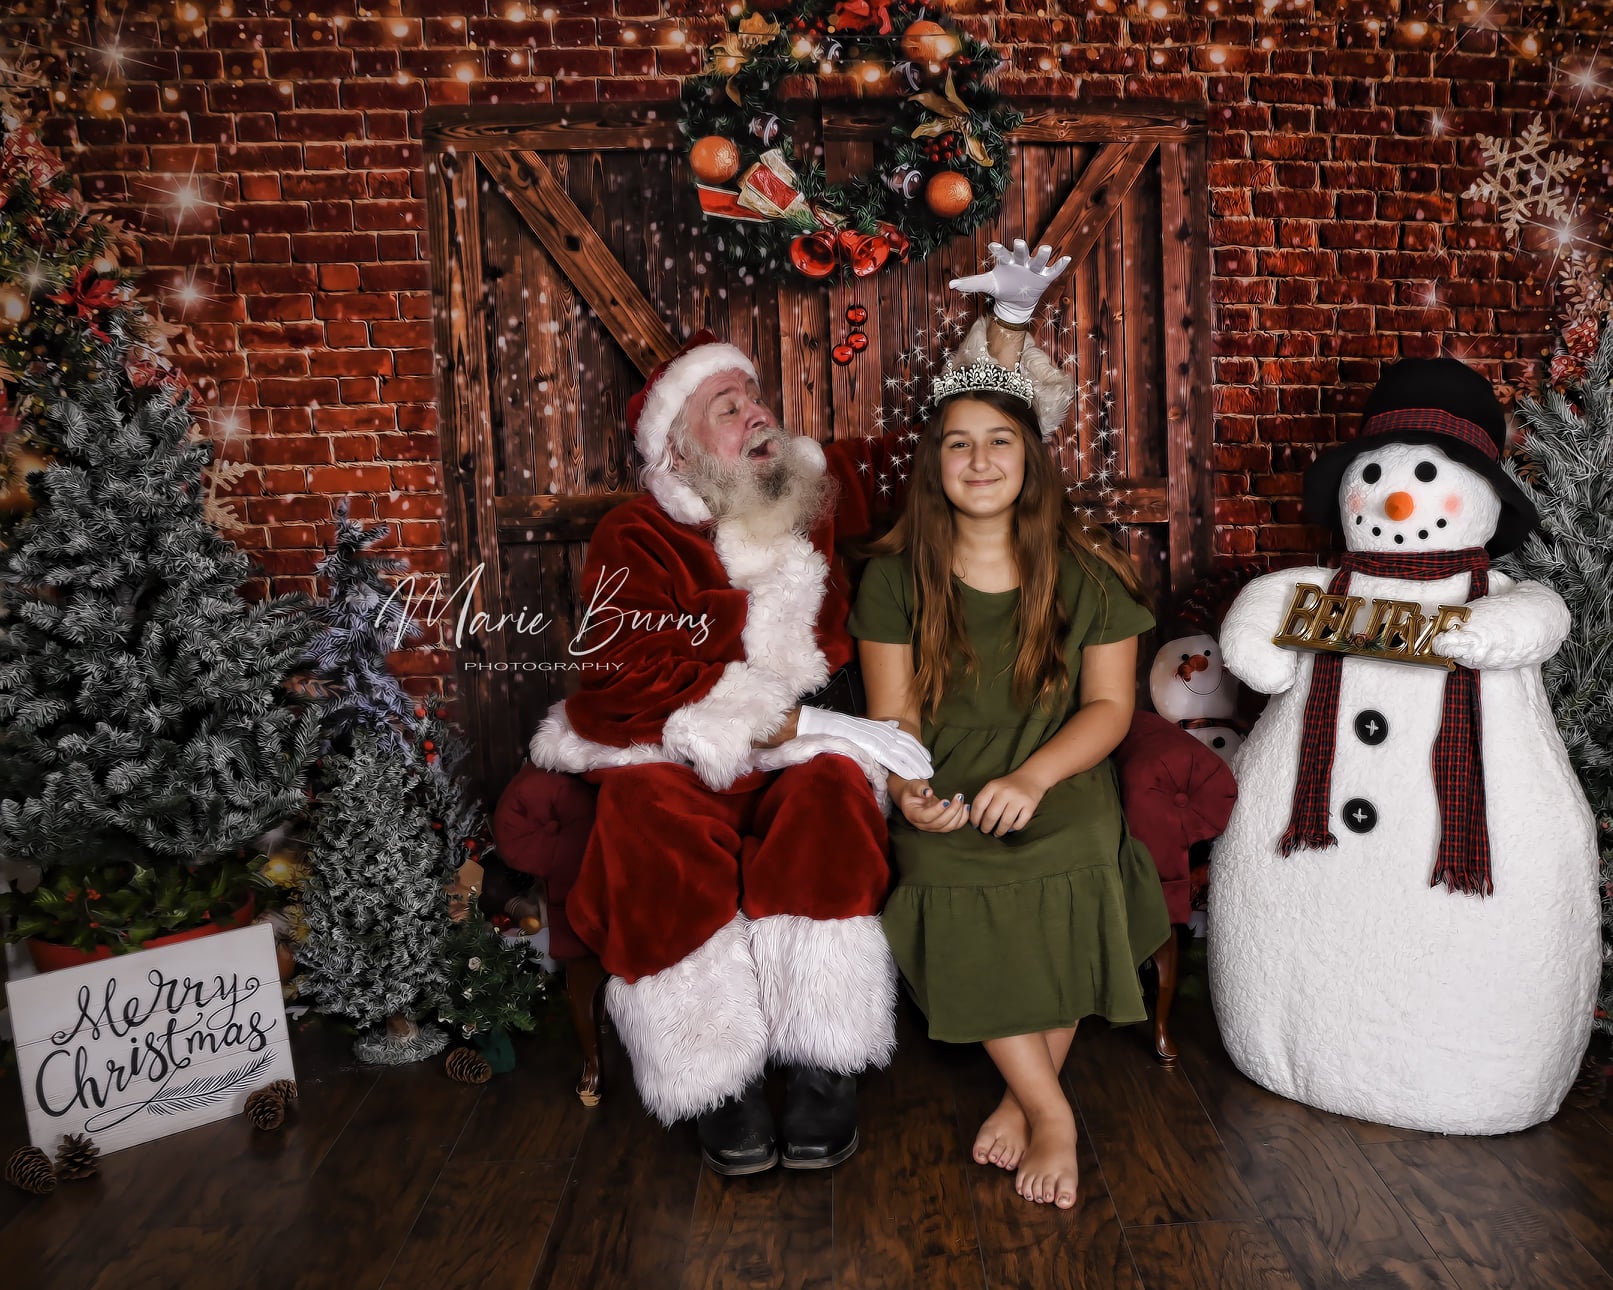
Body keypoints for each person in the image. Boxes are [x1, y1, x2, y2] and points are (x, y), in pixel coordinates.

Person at [527, 315, 935, 1176]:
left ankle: (822, 1058)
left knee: (830, 795)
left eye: (753, 397)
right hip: (670, 750)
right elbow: (628, 681)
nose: (757, 415)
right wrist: (815, 722)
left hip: (790, 754)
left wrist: (1006, 327)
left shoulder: (808, 490)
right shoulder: (635, 536)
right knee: (644, 818)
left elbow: (934, 449)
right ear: (679, 453)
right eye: (726, 406)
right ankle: (717, 1077)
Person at [850, 242, 1172, 1209]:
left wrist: (1033, 779)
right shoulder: (892, 576)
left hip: (1059, 768)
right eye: (958, 443)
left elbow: (1112, 708)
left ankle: (1026, 1099)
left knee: (1071, 863)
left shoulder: (1089, 571)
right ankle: (1053, 1108)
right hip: (942, 771)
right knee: (947, 873)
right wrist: (909, 789)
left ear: (1029, 459)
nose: (979, 459)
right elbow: (892, 715)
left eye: (999, 441)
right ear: (933, 465)